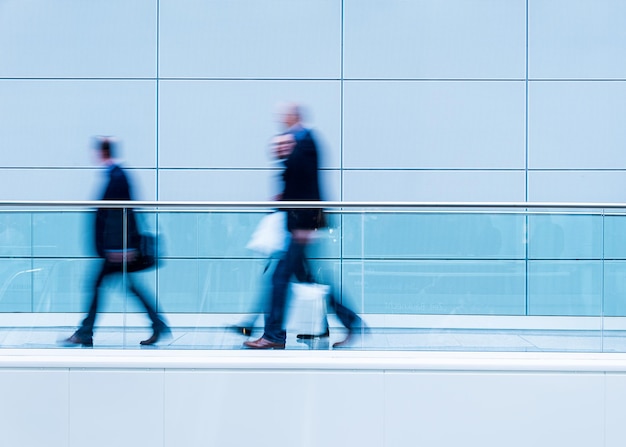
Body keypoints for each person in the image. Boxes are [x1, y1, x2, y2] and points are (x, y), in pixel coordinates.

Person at [244, 103, 362, 349]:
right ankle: (351, 321)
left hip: (302, 226)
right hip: (297, 224)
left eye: (283, 115)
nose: (280, 120)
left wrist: (305, 226)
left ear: (293, 117)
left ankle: (274, 336)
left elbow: (309, 186)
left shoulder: (306, 141)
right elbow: (297, 183)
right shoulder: (297, 142)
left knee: (279, 278)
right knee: (310, 280)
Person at [65, 137, 169, 347]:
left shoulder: (117, 176)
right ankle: (158, 324)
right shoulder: (116, 174)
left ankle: (85, 332)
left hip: (119, 249)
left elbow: (122, 214)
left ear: (101, 153)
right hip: (118, 248)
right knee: (127, 286)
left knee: (97, 285)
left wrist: (123, 247)